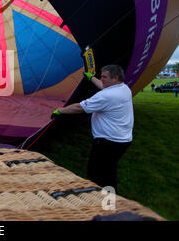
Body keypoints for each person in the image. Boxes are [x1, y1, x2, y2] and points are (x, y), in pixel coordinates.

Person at [51, 65, 133, 193]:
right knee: (109, 169)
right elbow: (103, 86)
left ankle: (105, 202)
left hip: (108, 142)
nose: (102, 79)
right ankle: (107, 200)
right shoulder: (124, 88)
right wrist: (92, 78)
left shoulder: (107, 96)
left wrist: (60, 111)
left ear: (115, 77)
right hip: (123, 139)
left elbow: (80, 107)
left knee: (98, 173)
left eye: (104, 77)